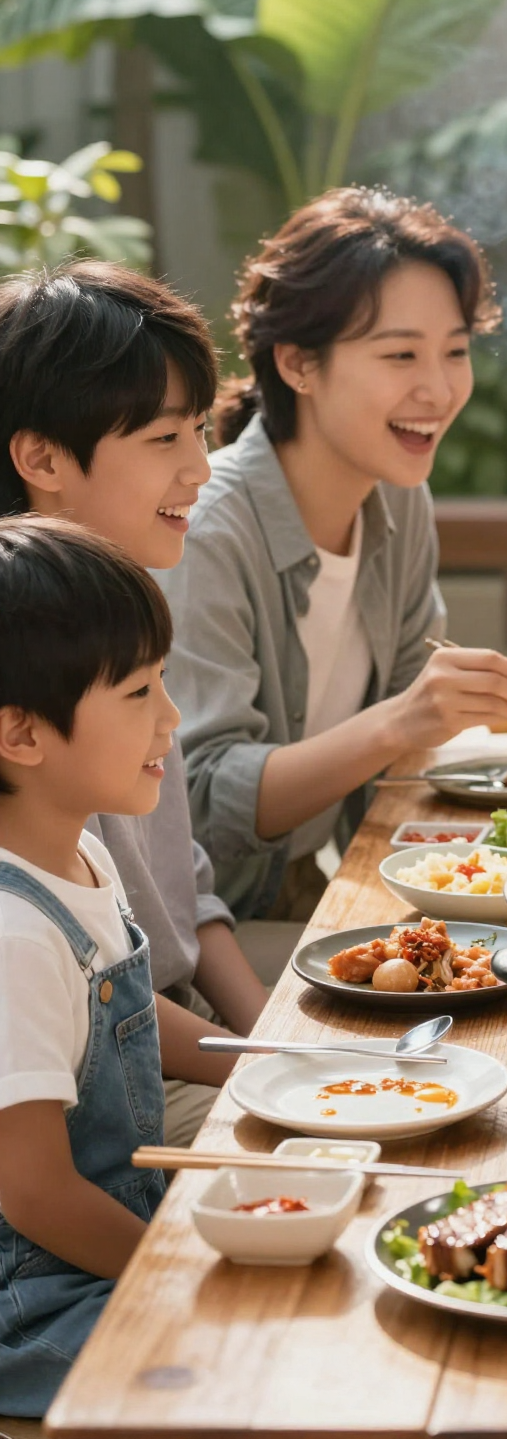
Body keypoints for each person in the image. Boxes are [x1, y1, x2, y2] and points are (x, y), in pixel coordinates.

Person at [156, 188, 507, 922]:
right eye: (400, 354)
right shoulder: (207, 529)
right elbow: (202, 797)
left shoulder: (397, 498)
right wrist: (403, 719)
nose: (440, 387)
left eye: (455, 352)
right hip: (205, 930)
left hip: (314, 894)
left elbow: (397, 753)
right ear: (298, 363)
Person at [0, 260, 261, 1146]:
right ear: (40, 458)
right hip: (108, 1086)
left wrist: (268, 1038)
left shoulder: (120, 605)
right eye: (162, 440)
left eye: (201, 430)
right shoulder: (37, 660)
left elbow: (182, 884)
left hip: (184, 1030)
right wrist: (268, 1063)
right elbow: (93, 985)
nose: (202, 469)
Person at [0, 517, 236, 1416]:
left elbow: (132, 1010)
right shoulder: (14, 933)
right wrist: (178, 1266)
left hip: (111, 1229)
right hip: (38, 1299)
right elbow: (37, 1194)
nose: (170, 719)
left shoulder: (83, 854)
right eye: (139, 691)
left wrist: (272, 1065)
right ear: (23, 733)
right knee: (263, 1356)